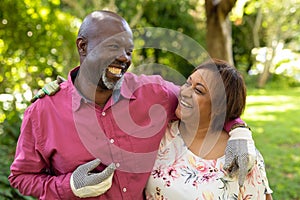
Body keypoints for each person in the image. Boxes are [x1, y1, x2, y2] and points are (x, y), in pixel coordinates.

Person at [9, 10, 256, 199]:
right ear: (82, 46)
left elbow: (206, 102)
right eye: (113, 46)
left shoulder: (154, 93)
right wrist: (69, 186)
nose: (124, 58)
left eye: (129, 50)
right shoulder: (43, 112)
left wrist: (238, 130)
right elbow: (21, 177)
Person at [145, 59, 273, 200]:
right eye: (188, 83)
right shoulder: (162, 134)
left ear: (219, 108)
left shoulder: (242, 153)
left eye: (198, 90)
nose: (185, 92)